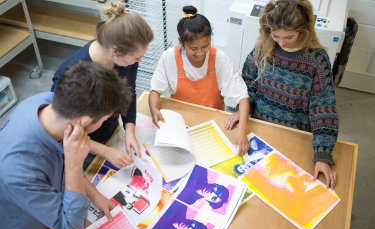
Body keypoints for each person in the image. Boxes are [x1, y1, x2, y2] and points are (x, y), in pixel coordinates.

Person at [0, 61, 132, 229]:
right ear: (84, 121)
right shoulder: (18, 171)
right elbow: (70, 227)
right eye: (104, 119)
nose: (103, 123)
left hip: (45, 201)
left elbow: (61, 167)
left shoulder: (48, 103)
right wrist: (74, 164)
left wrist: (95, 195)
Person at [226, 0, 338, 188]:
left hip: (295, 136)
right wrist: (242, 110)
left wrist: (322, 154)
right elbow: (247, 83)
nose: (280, 42)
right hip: (259, 130)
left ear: (303, 31)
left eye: (288, 37)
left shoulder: (317, 60)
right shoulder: (263, 47)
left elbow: (323, 108)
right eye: (275, 35)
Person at [51, 1, 154, 169]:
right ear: (115, 52)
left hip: (111, 132)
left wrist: (129, 130)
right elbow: (64, 129)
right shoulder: (70, 74)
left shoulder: (126, 60)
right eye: (136, 58)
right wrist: (105, 151)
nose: (139, 61)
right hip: (83, 143)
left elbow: (129, 92)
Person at [148, 5, 250, 156]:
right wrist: (154, 109)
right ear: (181, 42)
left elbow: (242, 97)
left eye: (205, 46)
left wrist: (242, 132)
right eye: (193, 48)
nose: (200, 53)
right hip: (180, 124)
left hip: (212, 124)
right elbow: (155, 90)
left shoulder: (220, 59)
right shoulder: (169, 57)